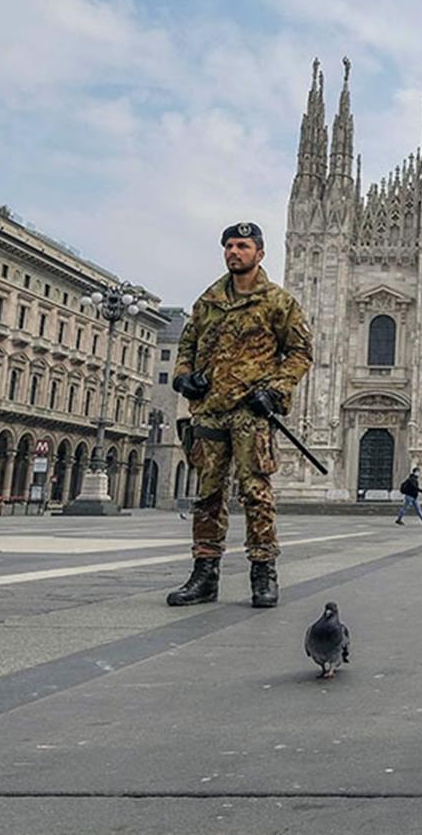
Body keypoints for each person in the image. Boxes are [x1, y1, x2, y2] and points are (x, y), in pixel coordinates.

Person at [165, 221, 314, 610]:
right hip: (211, 413)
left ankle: (263, 573)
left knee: (256, 494)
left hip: (251, 413)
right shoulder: (208, 301)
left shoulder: (278, 302)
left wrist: (275, 390)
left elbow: (300, 353)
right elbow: (187, 345)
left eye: (243, 246)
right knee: (208, 495)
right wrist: (184, 379)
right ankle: (204, 575)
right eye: (229, 246)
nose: (234, 252)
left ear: (259, 253)